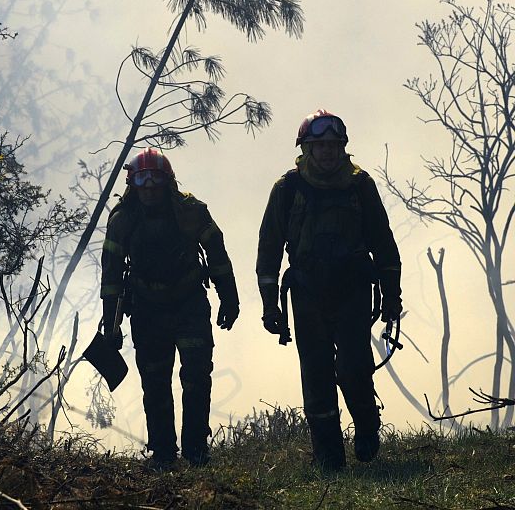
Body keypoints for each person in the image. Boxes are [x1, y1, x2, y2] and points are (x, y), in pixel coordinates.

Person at [256, 109, 402, 471]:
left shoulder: (360, 186)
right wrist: (270, 306)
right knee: (317, 376)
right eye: (318, 145)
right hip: (307, 295)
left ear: (342, 147)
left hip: (352, 290)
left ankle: (367, 426)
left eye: (333, 145)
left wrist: (392, 297)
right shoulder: (287, 189)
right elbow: (269, 249)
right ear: (305, 148)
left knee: (353, 369)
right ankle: (329, 458)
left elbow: (384, 244)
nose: (326, 152)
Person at [100, 146, 240, 469]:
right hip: (147, 309)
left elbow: (217, 254)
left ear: (168, 181)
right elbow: (111, 274)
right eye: (141, 180)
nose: (148, 187)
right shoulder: (122, 220)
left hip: (189, 304)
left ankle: (196, 451)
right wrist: (112, 323)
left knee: (196, 376)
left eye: (155, 179)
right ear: (132, 184)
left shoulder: (190, 211)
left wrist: (229, 298)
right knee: (155, 380)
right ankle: (163, 453)